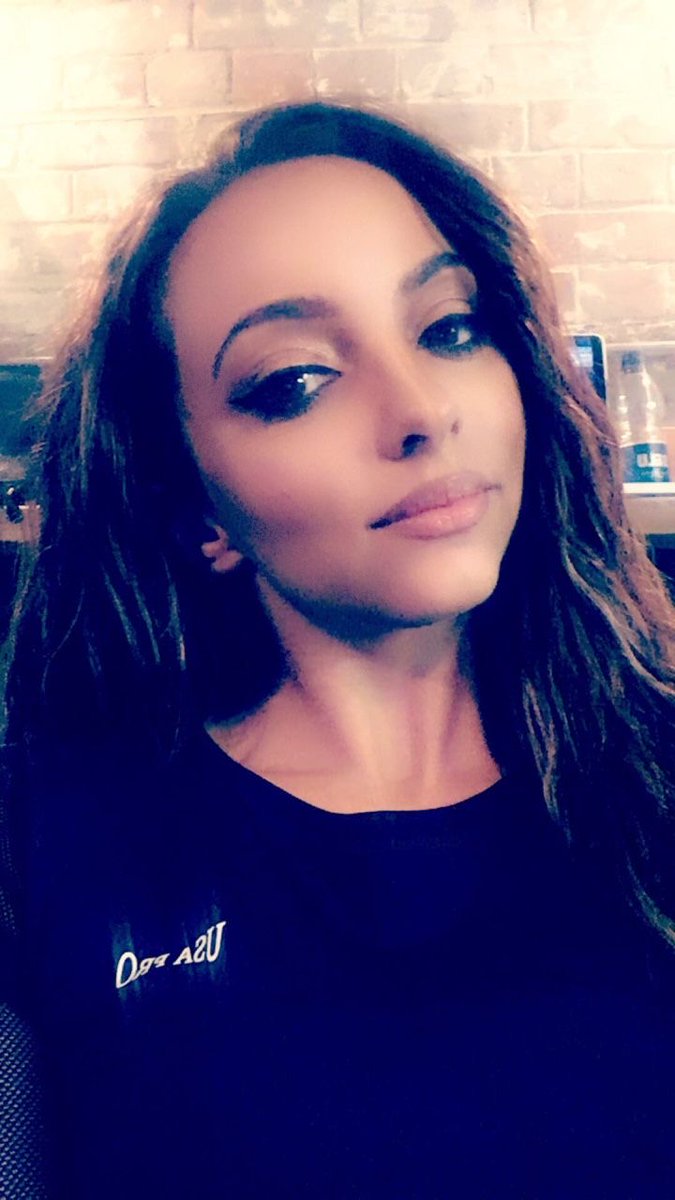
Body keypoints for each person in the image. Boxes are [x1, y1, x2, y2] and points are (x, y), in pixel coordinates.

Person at [2, 99, 675, 1199]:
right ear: (195, 510)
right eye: (295, 382)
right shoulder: (47, 842)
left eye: (448, 329)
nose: (421, 411)